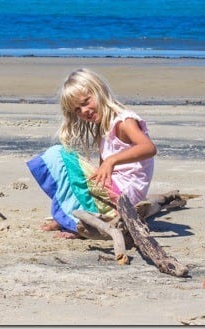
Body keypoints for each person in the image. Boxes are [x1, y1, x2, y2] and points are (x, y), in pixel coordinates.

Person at [27, 68, 157, 238]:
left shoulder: (123, 121)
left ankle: (71, 222)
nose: (84, 111)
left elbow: (149, 148)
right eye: (77, 110)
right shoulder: (104, 126)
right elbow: (103, 171)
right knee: (79, 178)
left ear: (99, 90)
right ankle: (74, 218)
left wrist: (112, 161)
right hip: (117, 196)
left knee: (58, 154)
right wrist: (105, 166)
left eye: (86, 101)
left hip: (124, 197)